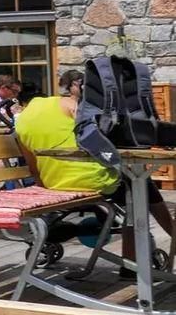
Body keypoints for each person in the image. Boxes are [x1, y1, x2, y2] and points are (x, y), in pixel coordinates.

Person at [16, 78, 175, 277]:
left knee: (137, 186)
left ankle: (140, 257)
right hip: (93, 178)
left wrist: (47, 190)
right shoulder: (66, 103)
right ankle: (133, 261)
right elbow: (95, 134)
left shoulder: (21, 122)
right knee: (139, 185)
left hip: (55, 183)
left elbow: (33, 168)